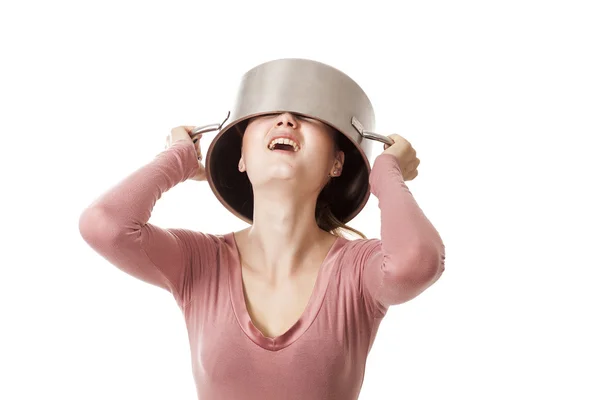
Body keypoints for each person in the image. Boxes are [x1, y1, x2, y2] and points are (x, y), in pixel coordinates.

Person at [79, 111, 445, 400]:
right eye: (268, 113)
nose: (287, 121)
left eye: (309, 115)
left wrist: (384, 170)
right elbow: (105, 226)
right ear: (240, 158)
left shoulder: (358, 270)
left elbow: (417, 261)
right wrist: (178, 158)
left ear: (336, 164)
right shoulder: (200, 262)